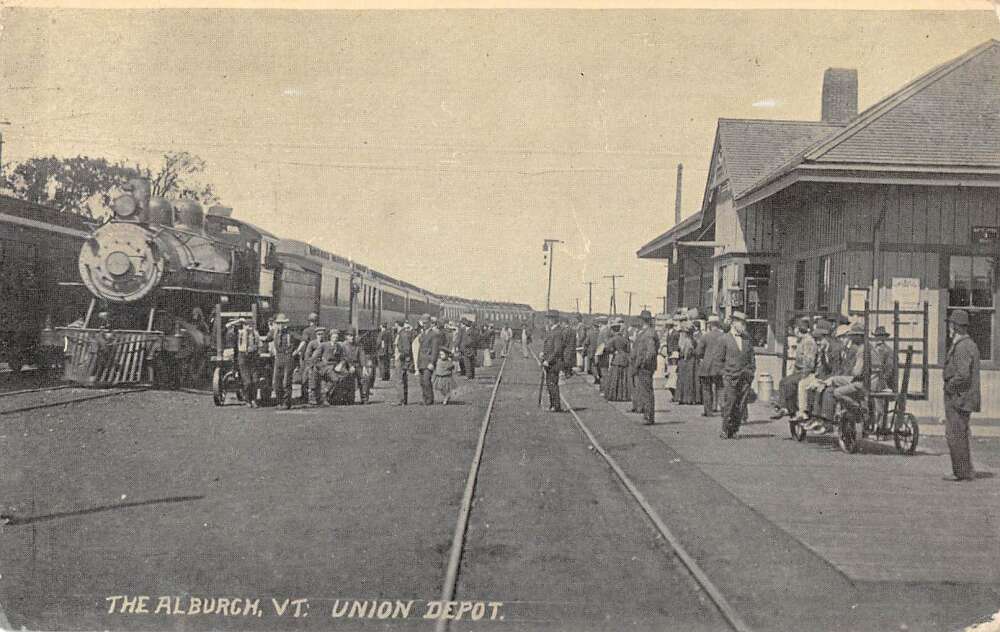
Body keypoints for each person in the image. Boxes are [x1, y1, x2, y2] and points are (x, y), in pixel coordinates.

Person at [942, 310, 980, 481]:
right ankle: (964, 471)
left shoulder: (963, 346)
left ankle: (962, 472)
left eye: (951, 324)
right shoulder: (966, 344)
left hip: (959, 397)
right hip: (961, 396)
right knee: (959, 434)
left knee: (955, 434)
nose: (949, 327)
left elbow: (963, 374)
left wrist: (949, 386)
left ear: (956, 327)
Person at [772, 316, 817, 420]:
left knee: (785, 382)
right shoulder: (801, 341)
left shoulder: (808, 341)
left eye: (793, 329)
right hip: (801, 371)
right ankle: (787, 407)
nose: (792, 332)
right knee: (787, 382)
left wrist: (799, 372)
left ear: (797, 329)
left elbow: (809, 363)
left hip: (806, 372)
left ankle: (785, 408)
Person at [719, 311, 755, 439]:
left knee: (741, 404)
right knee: (730, 402)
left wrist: (751, 372)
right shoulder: (724, 339)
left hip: (745, 377)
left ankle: (735, 429)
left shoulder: (747, 339)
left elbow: (752, 357)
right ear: (734, 323)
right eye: (741, 323)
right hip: (730, 377)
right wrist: (725, 373)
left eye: (745, 323)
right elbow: (720, 359)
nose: (744, 326)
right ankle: (725, 429)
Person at [632, 310, 660, 425]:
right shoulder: (647, 332)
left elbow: (651, 352)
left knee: (646, 392)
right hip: (645, 366)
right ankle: (647, 415)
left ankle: (648, 416)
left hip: (645, 367)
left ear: (643, 320)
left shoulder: (648, 334)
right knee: (645, 391)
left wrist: (643, 363)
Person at [696, 315, 726, 417]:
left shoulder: (705, 336)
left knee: (706, 388)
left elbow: (699, 351)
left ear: (710, 325)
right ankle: (723, 410)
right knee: (720, 388)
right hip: (720, 366)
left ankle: (708, 411)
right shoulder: (724, 336)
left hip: (707, 366)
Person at [263, 313, 295, 408]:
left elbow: (303, 340)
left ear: (286, 324)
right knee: (276, 382)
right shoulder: (274, 332)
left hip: (288, 357)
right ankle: (279, 401)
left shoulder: (290, 333)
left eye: (282, 323)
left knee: (286, 382)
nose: (280, 325)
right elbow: (266, 339)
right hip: (278, 358)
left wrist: (296, 351)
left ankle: (286, 402)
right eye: (279, 323)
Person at [310, 328, 346, 405]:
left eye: (337, 337)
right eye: (333, 337)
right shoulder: (324, 345)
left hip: (335, 367)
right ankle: (324, 394)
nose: (335, 339)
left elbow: (343, 358)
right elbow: (315, 357)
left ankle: (330, 396)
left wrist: (341, 364)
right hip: (325, 366)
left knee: (346, 374)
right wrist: (320, 364)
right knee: (335, 379)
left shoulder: (339, 346)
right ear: (330, 337)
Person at [540, 310, 567, 412]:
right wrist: (543, 353)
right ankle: (553, 405)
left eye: (549, 319)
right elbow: (549, 346)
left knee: (552, 384)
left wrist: (549, 360)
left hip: (554, 363)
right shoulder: (552, 331)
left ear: (554, 319)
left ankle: (556, 406)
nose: (548, 321)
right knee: (550, 384)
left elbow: (557, 349)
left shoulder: (557, 332)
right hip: (549, 362)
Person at [417, 316, 445, 405]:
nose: (424, 325)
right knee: (422, 381)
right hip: (421, 360)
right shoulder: (423, 333)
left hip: (428, 361)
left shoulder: (434, 334)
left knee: (426, 380)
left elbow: (435, 349)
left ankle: (429, 399)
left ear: (430, 323)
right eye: (423, 323)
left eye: (425, 323)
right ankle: (425, 398)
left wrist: (432, 362)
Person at [603, 318, 631, 402]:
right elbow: (628, 349)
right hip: (625, 359)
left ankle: (614, 395)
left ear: (613, 330)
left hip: (617, 359)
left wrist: (612, 351)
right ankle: (623, 395)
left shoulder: (613, 339)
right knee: (624, 378)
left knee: (615, 377)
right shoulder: (625, 339)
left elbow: (607, 348)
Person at [236, 318, 261, 407]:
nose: (249, 328)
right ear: (244, 326)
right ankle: (247, 400)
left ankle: (254, 399)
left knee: (255, 380)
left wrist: (257, 352)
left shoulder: (256, 334)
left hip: (253, 356)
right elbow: (227, 327)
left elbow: (259, 344)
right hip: (243, 356)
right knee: (247, 382)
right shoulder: (240, 333)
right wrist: (237, 321)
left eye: (251, 326)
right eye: (247, 326)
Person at [675, 319, 700, 405]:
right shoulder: (693, 340)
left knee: (685, 380)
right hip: (692, 361)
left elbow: (685, 352)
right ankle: (690, 398)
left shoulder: (686, 340)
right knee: (690, 380)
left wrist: (684, 356)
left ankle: (684, 398)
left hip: (686, 361)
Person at [340, 331, 368, 404]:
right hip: (346, 365)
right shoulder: (343, 346)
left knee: (364, 377)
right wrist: (350, 366)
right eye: (350, 336)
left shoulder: (358, 345)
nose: (352, 337)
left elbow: (362, 356)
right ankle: (349, 398)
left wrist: (364, 367)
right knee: (348, 378)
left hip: (357, 365)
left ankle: (364, 397)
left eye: (353, 336)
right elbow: (343, 357)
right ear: (346, 336)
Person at [395, 322, 415, 406]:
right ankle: (403, 399)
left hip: (401, 360)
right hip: (401, 359)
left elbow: (406, 349)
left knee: (399, 380)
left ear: (397, 325)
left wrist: (401, 355)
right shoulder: (402, 333)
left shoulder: (402, 334)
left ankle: (401, 400)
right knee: (402, 379)